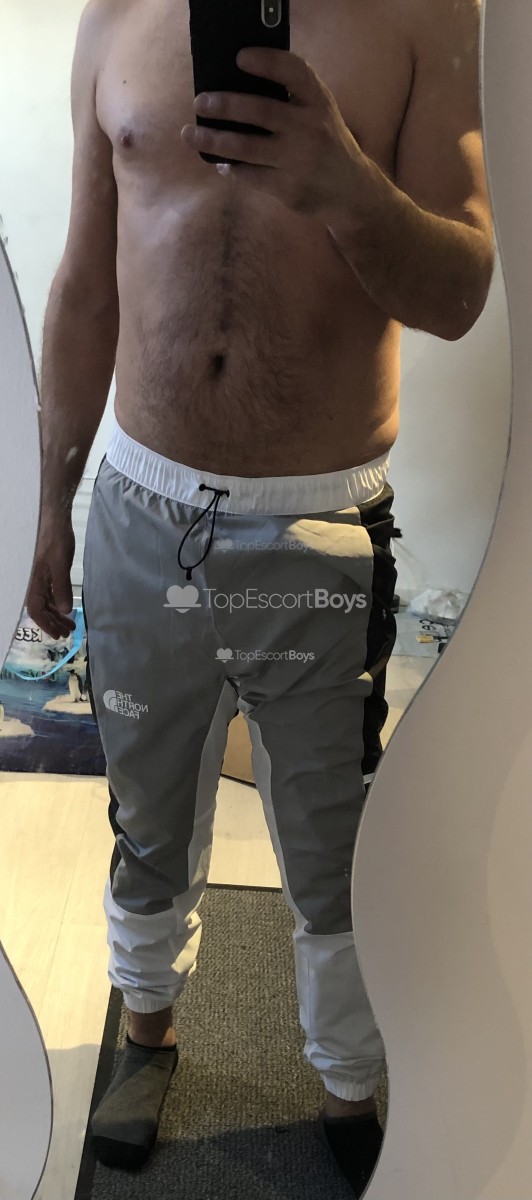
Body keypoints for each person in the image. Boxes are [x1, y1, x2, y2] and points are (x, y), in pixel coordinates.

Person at [26, 0, 494, 1193]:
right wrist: (50, 507)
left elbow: (458, 290)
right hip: (140, 509)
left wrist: (343, 182)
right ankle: (145, 1033)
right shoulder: (115, 18)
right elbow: (84, 286)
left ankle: (345, 1078)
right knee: (147, 812)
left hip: (320, 526)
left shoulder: (426, 15)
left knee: (336, 842)